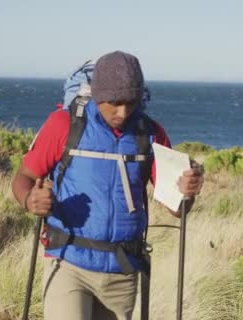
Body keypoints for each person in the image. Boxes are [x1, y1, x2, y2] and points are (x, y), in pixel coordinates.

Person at [11, 50, 203, 320]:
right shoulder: (64, 125)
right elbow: (23, 177)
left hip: (122, 272)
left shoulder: (151, 133)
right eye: (114, 102)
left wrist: (187, 191)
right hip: (68, 262)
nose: (122, 112)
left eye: (131, 102)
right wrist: (30, 199)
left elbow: (178, 208)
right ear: (98, 94)